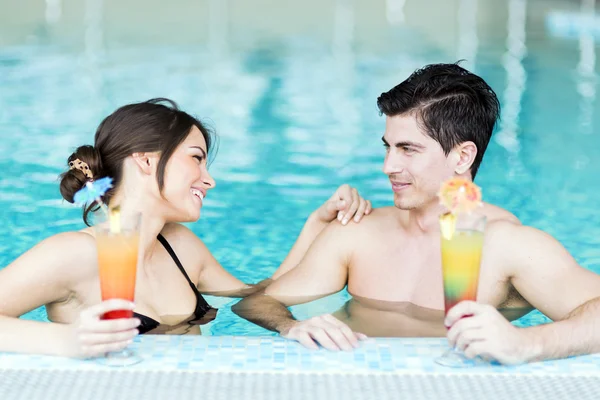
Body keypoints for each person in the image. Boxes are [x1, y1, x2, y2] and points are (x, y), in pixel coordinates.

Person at [233, 63, 600, 365]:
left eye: (408, 149)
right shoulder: (359, 233)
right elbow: (258, 302)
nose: (388, 165)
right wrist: (290, 326)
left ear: (462, 156)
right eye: (388, 147)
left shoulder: (507, 245)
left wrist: (524, 343)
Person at [0, 98, 373, 358]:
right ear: (145, 161)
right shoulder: (75, 254)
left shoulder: (180, 247)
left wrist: (316, 224)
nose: (208, 180)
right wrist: (68, 341)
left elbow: (261, 293)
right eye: (196, 159)